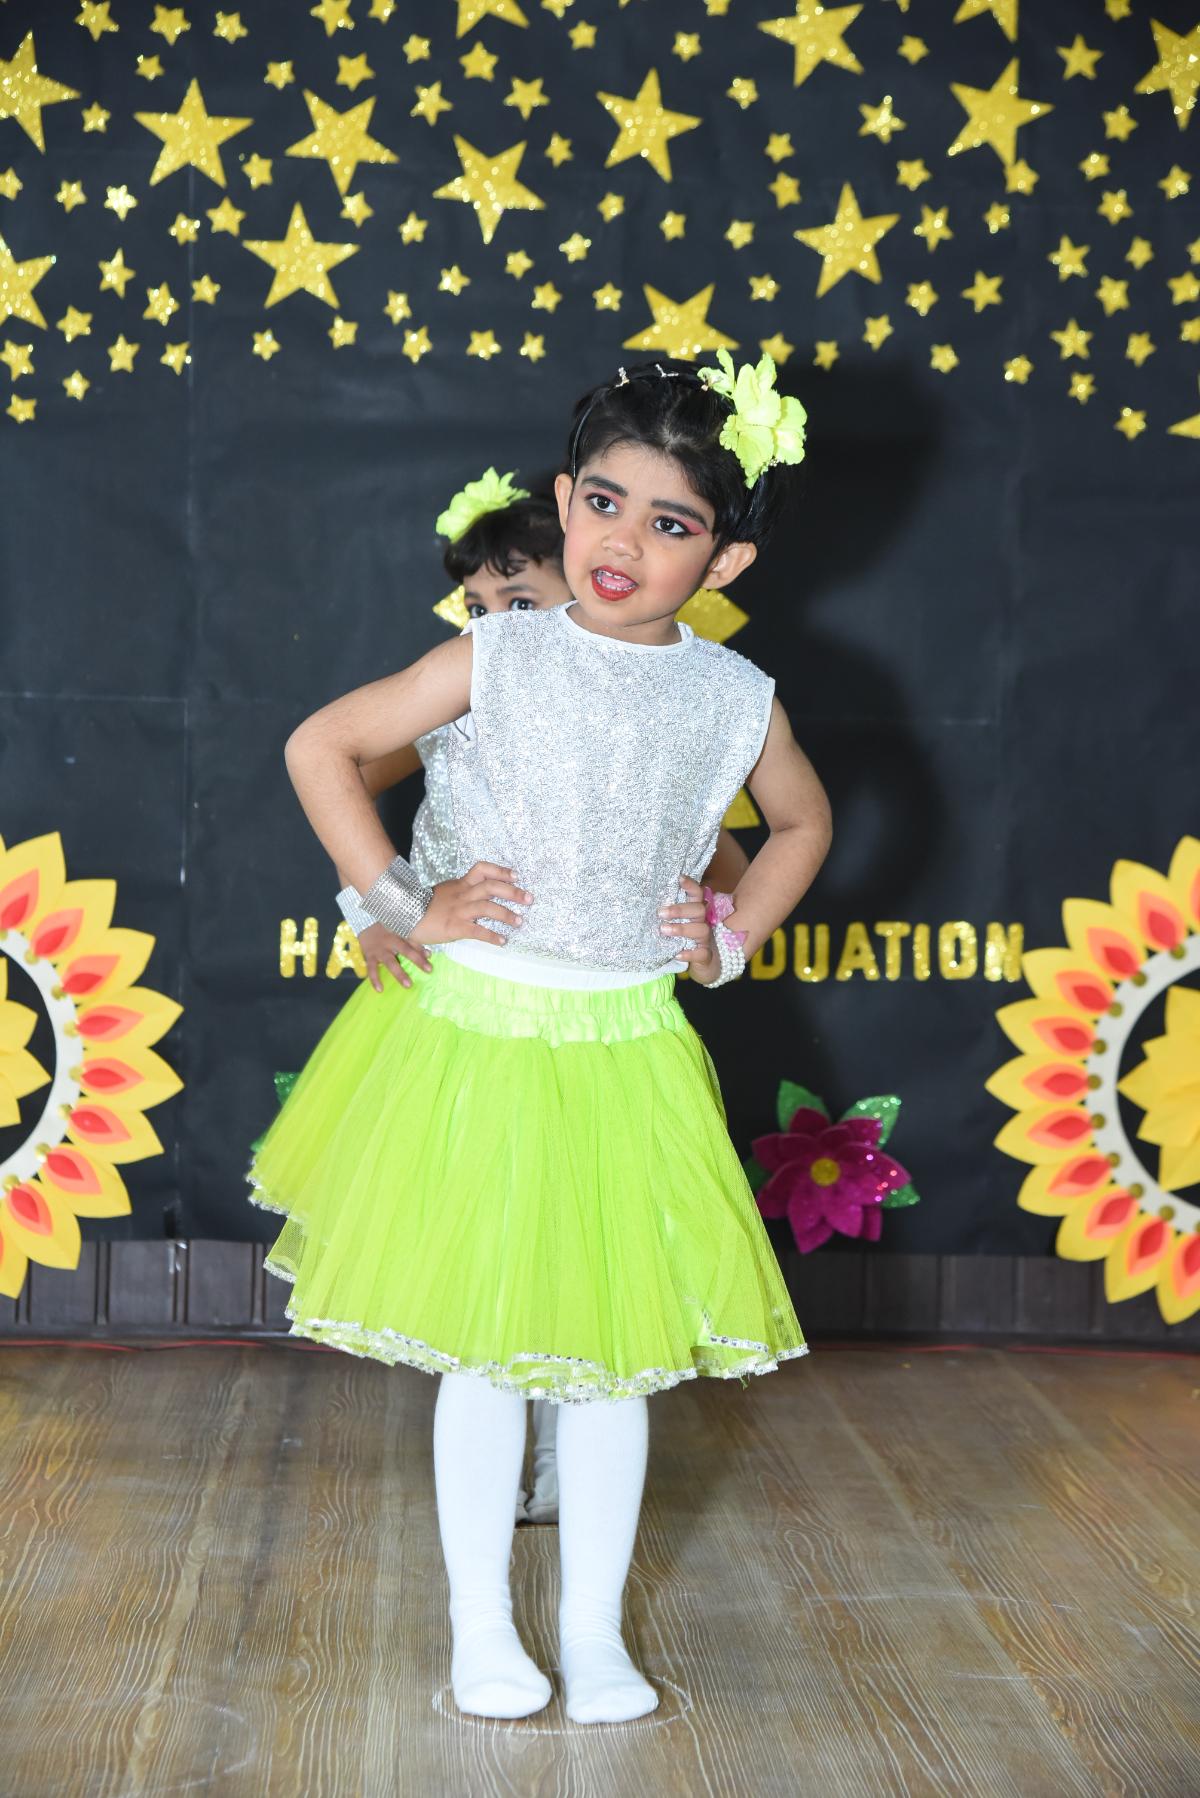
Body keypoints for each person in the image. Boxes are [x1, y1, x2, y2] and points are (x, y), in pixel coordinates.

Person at [250, 352, 831, 1725]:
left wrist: (733, 932)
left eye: (670, 523)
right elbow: (323, 747)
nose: (623, 542)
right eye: (603, 503)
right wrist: (402, 901)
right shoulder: (498, 652)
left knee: (614, 1364)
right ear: (565, 502)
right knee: (487, 1357)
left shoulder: (732, 696)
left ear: (726, 556)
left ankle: (593, 1631)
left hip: (626, 1047)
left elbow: (802, 822)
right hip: (481, 1041)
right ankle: (481, 1629)